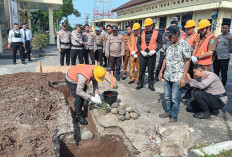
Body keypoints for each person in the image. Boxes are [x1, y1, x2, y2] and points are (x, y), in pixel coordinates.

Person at [158, 25, 191, 123]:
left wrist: (184, 78)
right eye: (168, 36)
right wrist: (161, 72)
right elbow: (165, 58)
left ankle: (174, 116)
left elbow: (187, 62)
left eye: (171, 36)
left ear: (177, 33)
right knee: (167, 97)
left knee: (175, 98)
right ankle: (168, 112)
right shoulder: (168, 44)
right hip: (167, 75)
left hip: (178, 76)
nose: (169, 38)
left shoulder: (184, 45)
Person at [136, 18, 162, 91]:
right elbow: (138, 44)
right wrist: (141, 51)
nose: (147, 27)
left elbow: (160, 43)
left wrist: (155, 50)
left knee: (151, 70)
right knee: (142, 70)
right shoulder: (141, 33)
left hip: (151, 54)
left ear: (152, 25)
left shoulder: (157, 33)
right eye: (146, 26)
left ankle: (151, 84)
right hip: (143, 54)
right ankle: (140, 83)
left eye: (148, 26)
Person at [182, 20, 199, 99]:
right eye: (186, 28)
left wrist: (193, 56)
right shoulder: (184, 35)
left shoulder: (197, 36)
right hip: (183, 58)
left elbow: (196, 48)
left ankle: (189, 91)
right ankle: (184, 85)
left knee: (190, 75)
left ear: (193, 28)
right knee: (184, 73)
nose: (187, 30)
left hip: (190, 58)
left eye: (189, 28)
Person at [213, 22, 232, 86]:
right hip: (217, 57)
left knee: (223, 72)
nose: (224, 29)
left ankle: (223, 85)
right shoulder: (218, 36)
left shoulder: (230, 37)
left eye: (226, 28)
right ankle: (216, 84)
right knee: (216, 72)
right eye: (223, 28)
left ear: (228, 28)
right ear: (221, 28)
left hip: (225, 58)